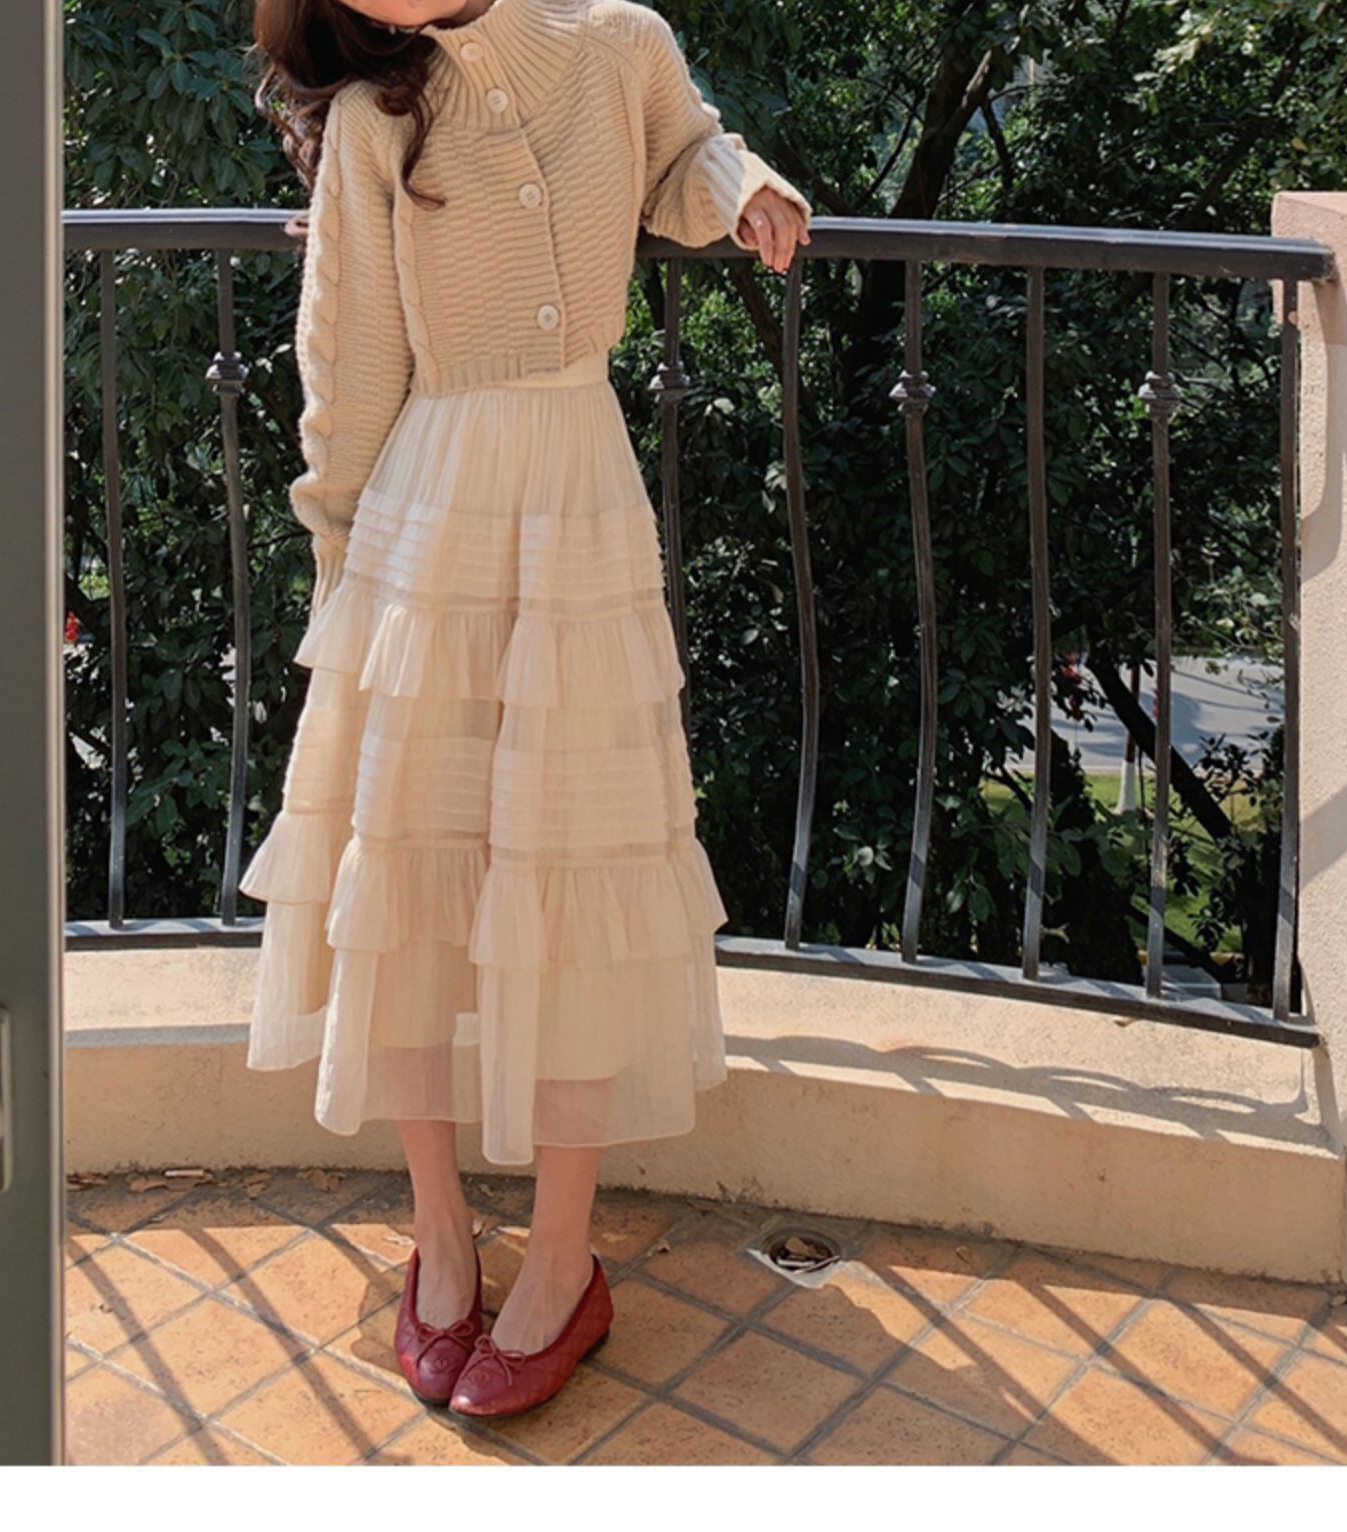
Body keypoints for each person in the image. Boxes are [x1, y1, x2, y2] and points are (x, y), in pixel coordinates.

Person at [243, 0, 812, 1419]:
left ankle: (563, 1260)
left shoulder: (615, 38)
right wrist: (340, 550)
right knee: (409, 880)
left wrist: (744, 186)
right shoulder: (374, 118)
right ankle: (441, 1237)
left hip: (575, 498)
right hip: (425, 512)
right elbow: (350, 355)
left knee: (580, 873)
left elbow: (680, 149)